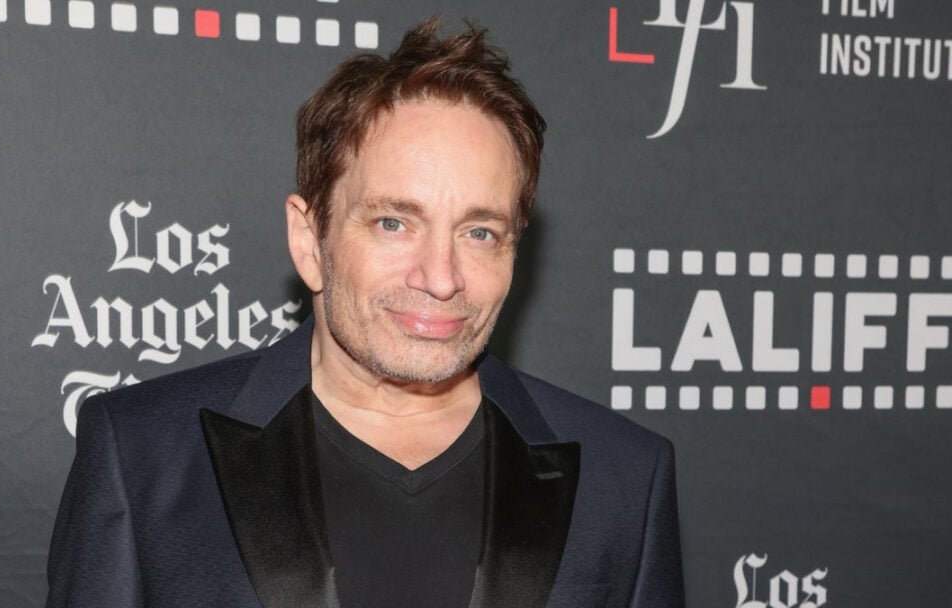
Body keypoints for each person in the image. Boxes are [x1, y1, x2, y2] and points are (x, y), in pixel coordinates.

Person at [46, 17, 684, 608]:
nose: (441, 278)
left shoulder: (622, 476)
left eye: (480, 232)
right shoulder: (142, 455)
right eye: (392, 222)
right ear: (309, 240)